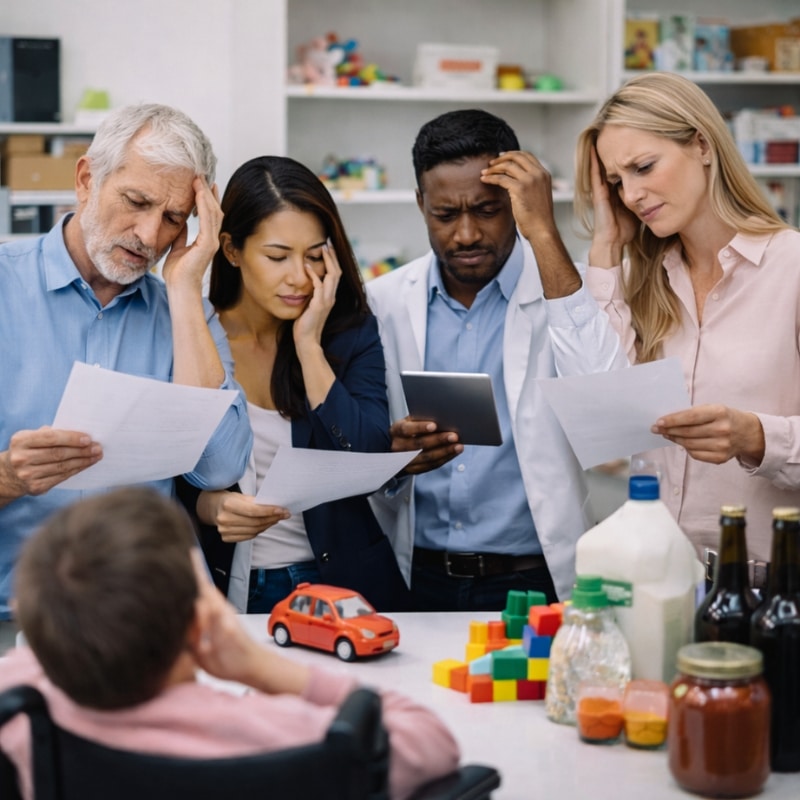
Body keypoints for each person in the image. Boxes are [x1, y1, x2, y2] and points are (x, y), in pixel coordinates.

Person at [0, 487, 459, 800]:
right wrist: (261, 667)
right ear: (200, 619)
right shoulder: (279, 733)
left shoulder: (17, 706)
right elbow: (431, 741)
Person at [0, 103, 253, 649]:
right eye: (136, 202)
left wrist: (186, 291)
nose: (148, 234)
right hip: (17, 619)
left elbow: (219, 468)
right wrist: (8, 478)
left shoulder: (187, 316)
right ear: (87, 179)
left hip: (152, 621)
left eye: (173, 219)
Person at [366, 109, 627, 611]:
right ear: (421, 204)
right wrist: (391, 456)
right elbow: (357, 439)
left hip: (533, 581)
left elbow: (609, 415)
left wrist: (545, 233)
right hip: (418, 577)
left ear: (517, 201)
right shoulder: (383, 303)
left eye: (487, 210)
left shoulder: (568, 293)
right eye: (445, 215)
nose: (465, 234)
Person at [573, 71, 800, 570]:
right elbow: (608, 420)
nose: (631, 194)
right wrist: (606, 251)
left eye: (643, 167)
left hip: (771, 584)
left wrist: (756, 437)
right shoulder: (636, 279)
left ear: (701, 144)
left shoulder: (792, 267)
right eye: (616, 182)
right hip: (662, 576)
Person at [184, 155, 409, 613]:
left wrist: (309, 347)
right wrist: (211, 508)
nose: (301, 278)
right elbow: (166, 476)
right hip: (231, 586)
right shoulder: (194, 336)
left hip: (344, 585)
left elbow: (367, 456)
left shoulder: (349, 332)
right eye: (277, 256)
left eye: (315, 256)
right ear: (231, 250)